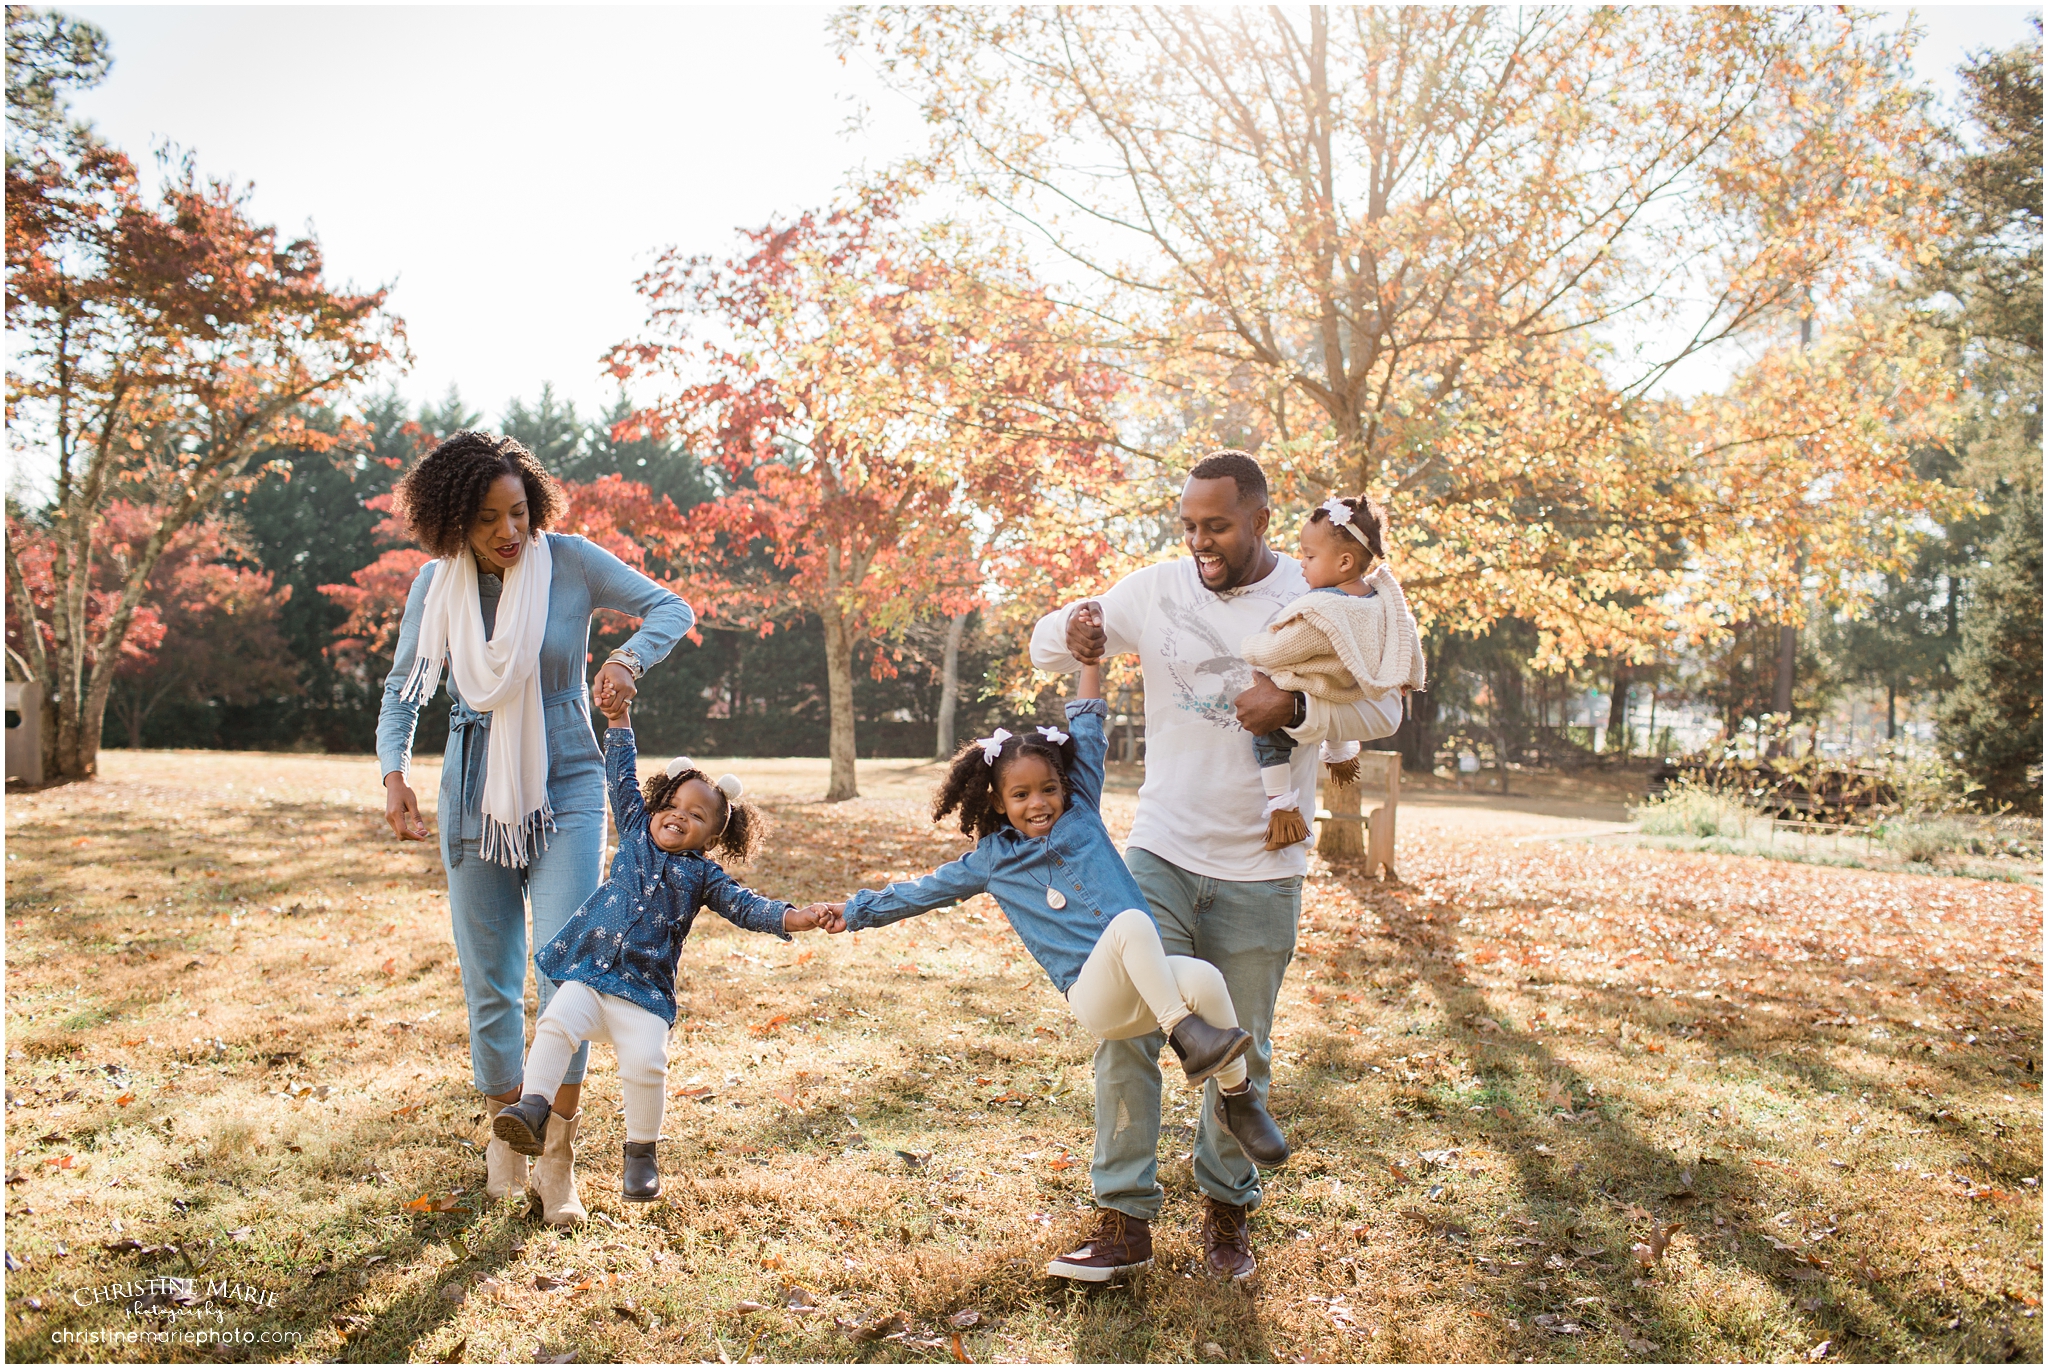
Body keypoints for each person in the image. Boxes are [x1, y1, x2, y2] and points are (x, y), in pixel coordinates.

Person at [1028, 449, 1403, 1283]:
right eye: (1190, 524)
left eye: (1218, 526)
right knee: (1129, 1025)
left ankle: (1227, 1219)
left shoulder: (1317, 596)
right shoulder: (1157, 588)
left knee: (1244, 1047)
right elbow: (1045, 647)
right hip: (1159, 847)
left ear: (1262, 520)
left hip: (1263, 865)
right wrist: (1073, 631)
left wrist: (1296, 708)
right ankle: (1122, 1220)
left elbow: (1385, 702)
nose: (1201, 541)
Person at [813, 640, 1290, 1276]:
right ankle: (1188, 1036)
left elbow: (1088, 725)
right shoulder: (994, 860)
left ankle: (1237, 1097)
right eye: (1020, 796)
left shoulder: (1083, 808)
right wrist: (854, 912)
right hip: (1099, 997)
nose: (1038, 803)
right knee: (1130, 923)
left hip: (1144, 979)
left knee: (1203, 975)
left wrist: (1090, 659)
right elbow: (920, 892)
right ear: (995, 802)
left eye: (1048, 789)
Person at [375, 429, 693, 1225]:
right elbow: (401, 692)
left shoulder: (572, 560)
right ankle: (503, 1131)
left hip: (572, 778)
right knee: (489, 978)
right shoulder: (434, 587)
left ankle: (556, 1155)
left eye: (517, 511)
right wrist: (393, 774)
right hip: (472, 780)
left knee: (569, 975)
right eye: (485, 519)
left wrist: (628, 660)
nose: (507, 532)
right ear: (453, 520)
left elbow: (671, 606)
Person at [493, 677, 833, 1208]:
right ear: (656, 804)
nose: (679, 816)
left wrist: (795, 917)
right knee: (556, 1020)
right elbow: (620, 775)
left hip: (644, 993)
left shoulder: (704, 877)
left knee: (646, 1061)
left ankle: (641, 1155)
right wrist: (618, 720)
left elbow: (749, 907)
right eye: (673, 804)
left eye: (697, 815)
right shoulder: (634, 827)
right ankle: (533, 1108)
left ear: (713, 836)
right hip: (589, 973)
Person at [1239, 495, 1425, 849]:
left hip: (1315, 682)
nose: (1301, 564)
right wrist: (1405, 676)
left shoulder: (1322, 611)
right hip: (1347, 685)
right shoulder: (1383, 600)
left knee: (1268, 732)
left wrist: (1250, 647)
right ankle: (1340, 755)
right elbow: (1408, 635)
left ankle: (1282, 808)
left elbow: (1281, 650)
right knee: (1329, 693)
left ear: (1343, 561)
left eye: (1309, 556)